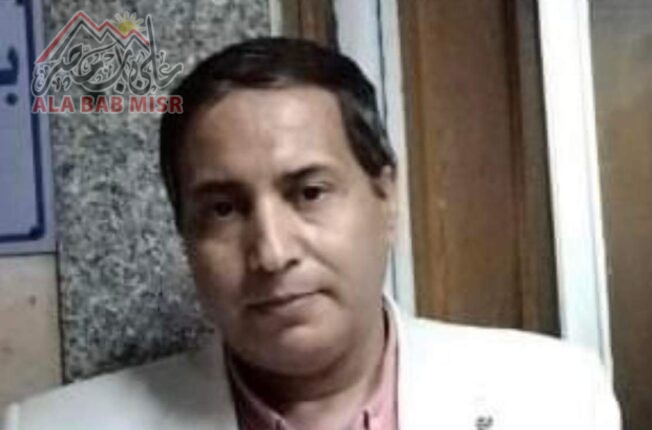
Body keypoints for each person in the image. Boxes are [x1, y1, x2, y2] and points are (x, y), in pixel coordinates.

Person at [2, 38, 620, 430]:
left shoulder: (553, 398)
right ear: (184, 234)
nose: (271, 253)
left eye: (309, 193)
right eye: (223, 209)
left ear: (385, 196)